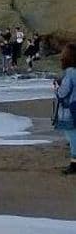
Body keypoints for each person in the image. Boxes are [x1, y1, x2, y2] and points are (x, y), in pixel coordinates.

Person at [53, 43, 76, 175]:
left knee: (72, 135)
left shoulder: (70, 73)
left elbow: (63, 93)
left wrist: (57, 87)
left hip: (71, 108)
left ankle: (74, 163)